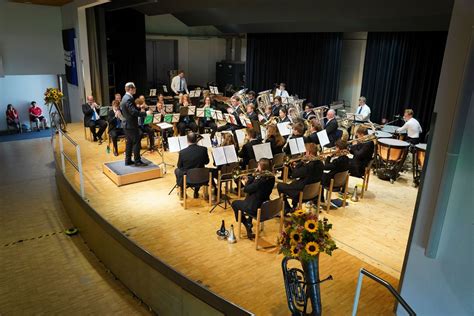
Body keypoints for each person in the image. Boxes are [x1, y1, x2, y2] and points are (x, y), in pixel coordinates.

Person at [231, 158, 275, 239]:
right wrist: (254, 176)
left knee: (234, 204)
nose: (257, 167)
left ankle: (247, 225)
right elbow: (255, 188)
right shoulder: (272, 177)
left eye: (258, 165)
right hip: (264, 204)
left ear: (261, 167)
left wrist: (248, 180)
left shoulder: (260, 181)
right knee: (250, 196)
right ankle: (249, 221)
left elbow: (246, 189)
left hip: (255, 208)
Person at [277, 143, 324, 213]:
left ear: (308, 152)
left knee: (280, 186)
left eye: (305, 152)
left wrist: (301, 163)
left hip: (303, 193)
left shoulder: (308, 166)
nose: (304, 153)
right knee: (294, 183)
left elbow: (294, 175)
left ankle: (287, 208)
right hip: (314, 192)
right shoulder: (321, 163)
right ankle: (294, 206)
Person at [175, 131, 210, 198]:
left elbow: (179, 166)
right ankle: (196, 192)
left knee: (177, 170)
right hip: (202, 177)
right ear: (196, 139)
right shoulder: (204, 149)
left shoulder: (182, 152)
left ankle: (182, 190)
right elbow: (207, 162)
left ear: (187, 140)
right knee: (198, 171)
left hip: (189, 179)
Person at [120, 82, 148, 166]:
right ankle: (137, 161)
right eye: (134, 88)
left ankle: (128, 160)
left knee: (129, 143)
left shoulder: (124, 97)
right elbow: (133, 112)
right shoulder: (128, 98)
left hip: (127, 124)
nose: (135, 90)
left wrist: (137, 108)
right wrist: (145, 113)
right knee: (136, 142)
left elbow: (130, 110)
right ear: (131, 89)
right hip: (131, 125)